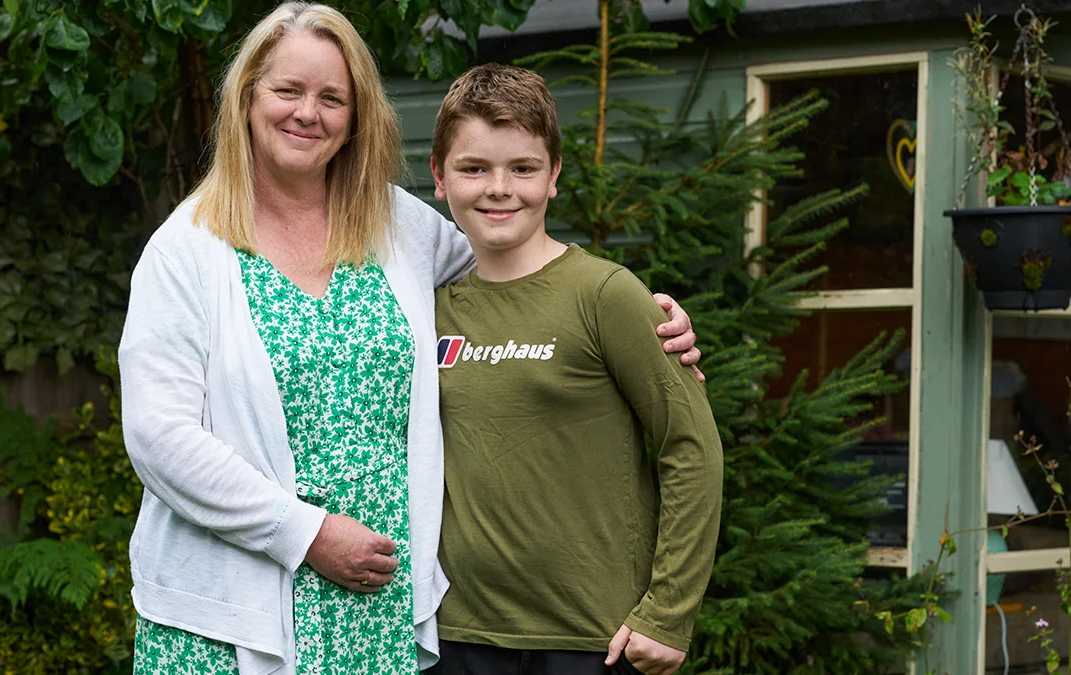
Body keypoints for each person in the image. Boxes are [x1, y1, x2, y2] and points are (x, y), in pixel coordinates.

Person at [118, 4, 701, 675]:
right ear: (246, 98)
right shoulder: (188, 250)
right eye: (287, 90)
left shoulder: (396, 224)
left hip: (378, 611)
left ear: (357, 114)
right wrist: (305, 533)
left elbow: (513, 274)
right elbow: (160, 436)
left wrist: (651, 321)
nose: (308, 112)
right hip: (230, 614)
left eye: (332, 97)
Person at [428, 64, 724, 675]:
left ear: (554, 175)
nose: (499, 188)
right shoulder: (424, 306)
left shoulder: (605, 295)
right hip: (459, 632)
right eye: (474, 168)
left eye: (523, 168)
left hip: (592, 639)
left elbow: (690, 447)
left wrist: (668, 613)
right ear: (439, 177)